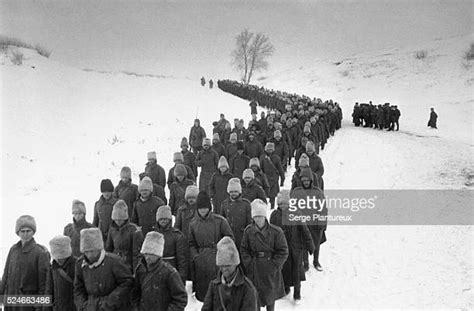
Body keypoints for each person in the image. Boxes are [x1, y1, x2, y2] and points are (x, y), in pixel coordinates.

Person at [240, 200, 289, 311]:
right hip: (255, 268)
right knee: (255, 298)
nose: (258, 219)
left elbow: (283, 251)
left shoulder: (276, 232)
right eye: (256, 217)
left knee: (270, 298)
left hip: (270, 269)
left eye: (260, 216)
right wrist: (249, 263)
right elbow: (244, 249)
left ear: (264, 217)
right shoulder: (248, 231)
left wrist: (275, 265)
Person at [188, 191, 234, 302]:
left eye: (205, 208)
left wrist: (221, 252)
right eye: (200, 208)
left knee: (219, 294)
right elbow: (191, 243)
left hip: (217, 261)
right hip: (201, 262)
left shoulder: (220, 221)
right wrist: (196, 256)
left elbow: (229, 238)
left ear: (209, 208)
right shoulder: (193, 224)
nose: (203, 210)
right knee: (204, 295)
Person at [74, 228, 133, 311]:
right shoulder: (80, 264)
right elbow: (78, 288)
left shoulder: (114, 261)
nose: (89, 255)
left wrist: (109, 303)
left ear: (99, 249)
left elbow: (126, 283)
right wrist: (83, 306)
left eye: (92, 251)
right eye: (86, 252)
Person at [270, 191, 314, 301]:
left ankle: (297, 293)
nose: (282, 206)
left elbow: (305, 230)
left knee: (296, 271)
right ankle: (285, 288)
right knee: (284, 269)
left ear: (289, 203)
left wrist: (310, 245)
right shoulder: (275, 215)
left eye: (284, 203)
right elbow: (270, 231)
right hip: (280, 248)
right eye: (280, 204)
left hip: (295, 248)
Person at [0, 215, 50, 311]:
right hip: (11, 300)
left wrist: (39, 306)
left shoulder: (40, 253)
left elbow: (43, 284)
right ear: (18, 232)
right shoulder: (13, 250)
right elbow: (6, 274)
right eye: (22, 231)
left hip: (28, 304)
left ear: (33, 232)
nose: (25, 234)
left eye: (28, 231)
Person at [132, 232, 188, 310]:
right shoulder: (140, 269)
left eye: (151, 254)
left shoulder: (169, 272)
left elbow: (181, 298)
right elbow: (135, 293)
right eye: (146, 254)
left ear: (158, 255)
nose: (147, 257)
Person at [202, 237, 258, 311]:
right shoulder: (214, 286)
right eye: (221, 266)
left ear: (235, 264)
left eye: (227, 265)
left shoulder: (247, 288)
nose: (224, 269)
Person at [291, 168, 327, 271]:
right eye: (304, 180)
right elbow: (293, 208)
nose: (306, 182)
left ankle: (316, 261)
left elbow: (323, 209)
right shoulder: (296, 192)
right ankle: (305, 263)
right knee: (303, 243)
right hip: (302, 222)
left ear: (311, 180)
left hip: (315, 223)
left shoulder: (318, 192)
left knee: (317, 242)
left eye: (307, 180)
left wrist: (322, 223)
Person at [105, 200, 144, 272]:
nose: (118, 222)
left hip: (128, 266)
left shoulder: (134, 230)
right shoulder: (112, 229)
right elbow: (108, 248)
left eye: (120, 220)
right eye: (116, 220)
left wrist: (136, 271)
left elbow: (137, 254)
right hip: (115, 264)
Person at [153, 205, 187, 284]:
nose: (163, 221)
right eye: (161, 219)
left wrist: (182, 276)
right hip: (156, 270)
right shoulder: (153, 234)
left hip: (172, 269)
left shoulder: (177, 235)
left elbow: (181, 258)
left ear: (169, 219)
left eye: (165, 219)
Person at [174, 185, 199, 281]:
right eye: (189, 198)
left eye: (193, 198)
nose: (191, 200)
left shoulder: (200, 210)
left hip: (196, 242)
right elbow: (177, 226)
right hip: (184, 242)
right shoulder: (181, 210)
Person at [45, 235, 77, 311]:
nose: (59, 260)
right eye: (57, 257)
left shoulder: (77, 265)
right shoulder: (52, 268)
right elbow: (49, 291)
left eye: (61, 258)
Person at [220, 178, 252, 248]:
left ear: (239, 192)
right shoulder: (224, 204)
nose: (233, 194)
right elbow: (221, 221)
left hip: (242, 236)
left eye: (235, 191)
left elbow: (249, 222)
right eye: (231, 192)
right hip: (228, 236)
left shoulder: (246, 204)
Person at [260, 143, 285, 209]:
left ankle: (272, 206)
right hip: (265, 178)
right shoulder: (263, 157)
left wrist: (282, 179)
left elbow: (280, 168)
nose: (269, 151)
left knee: (272, 194)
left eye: (271, 149)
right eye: (268, 149)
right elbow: (261, 168)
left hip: (274, 178)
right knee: (265, 193)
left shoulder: (276, 158)